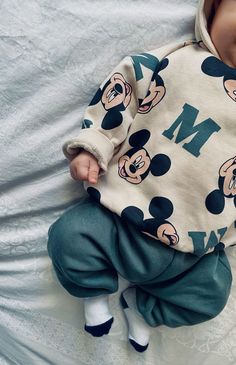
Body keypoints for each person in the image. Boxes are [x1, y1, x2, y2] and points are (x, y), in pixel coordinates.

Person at [47, 0, 235, 353]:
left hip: (192, 252)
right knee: (68, 237)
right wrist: (94, 144)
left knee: (212, 296)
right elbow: (123, 90)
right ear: (213, 10)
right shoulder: (180, 59)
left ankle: (143, 310)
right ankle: (95, 295)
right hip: (122, 214)